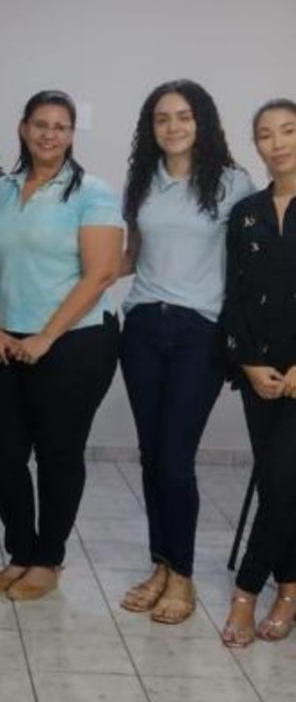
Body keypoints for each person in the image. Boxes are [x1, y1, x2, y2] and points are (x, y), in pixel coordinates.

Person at [0, 90, 123, 601]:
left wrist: (46, 337)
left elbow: (100, 274)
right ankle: (20, 552)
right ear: (23, 128)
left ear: (72, 134)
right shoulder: (0, 190)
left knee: (58, 452)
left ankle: (48, 558)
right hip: (2, 340)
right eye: (40, 124)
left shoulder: (92, 193)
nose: (49, 134)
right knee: (0, 450)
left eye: (60, 126)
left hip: (75, 343)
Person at [117, 81, 255, 624]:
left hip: (200, 332)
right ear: (150, 129)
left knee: (176, 460)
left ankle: (184, 577)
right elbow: (133, 255)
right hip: (143, 327)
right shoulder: (142, 182)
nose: (172, 127)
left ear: (203, 122)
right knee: (152, 458)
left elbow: (249, 266)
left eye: (183, 116)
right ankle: (161, 564)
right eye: (161, 119)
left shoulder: (232, 184)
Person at [219, 99, 296, 647]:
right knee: (281, 482)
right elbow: (236, 297)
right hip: (259, 373)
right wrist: (248, 363)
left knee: (282, 480)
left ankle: (247, 591)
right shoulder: (245, 211)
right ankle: (290, 586)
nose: (278, 143)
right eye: (266, 134)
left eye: (289, 131)